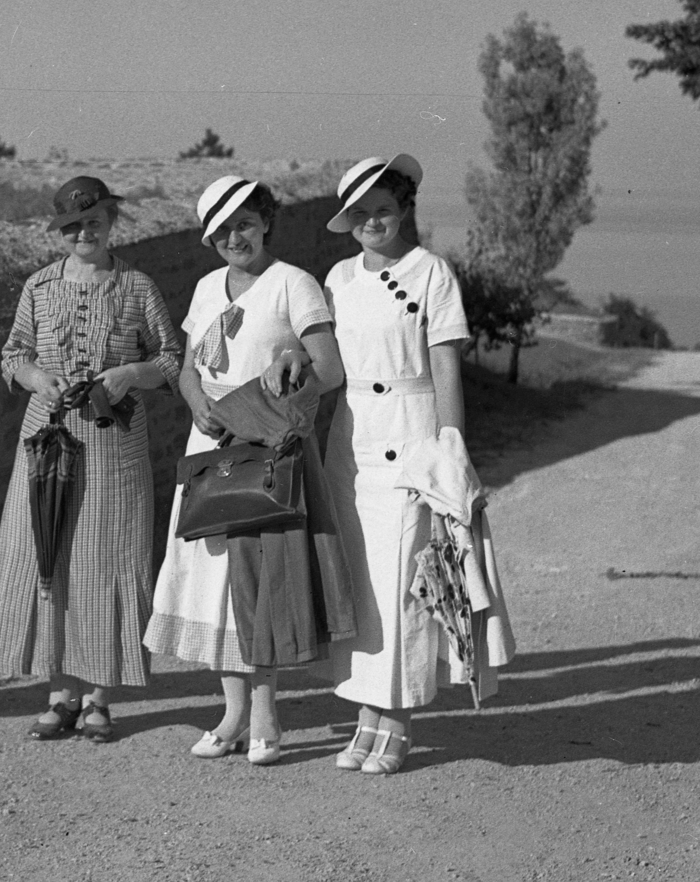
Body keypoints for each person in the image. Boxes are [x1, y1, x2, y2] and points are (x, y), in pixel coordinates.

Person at [143, 176, 345, 765]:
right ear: (209, 238)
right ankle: (231, 716)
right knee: (213, 587)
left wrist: (293, 360)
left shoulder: (293, 284)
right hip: (211, 446)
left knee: (259, 581)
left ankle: (266, 720)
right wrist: (195, 399)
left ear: (265, 224)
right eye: (222, 229)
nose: (236, 237)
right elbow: (186, 366)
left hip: (265, 447)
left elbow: (329, 369)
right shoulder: (208, 287)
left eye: (246, 224)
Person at [0, 176, 183, 743]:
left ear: (110, 222)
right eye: (72, 226)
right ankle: (59, 693)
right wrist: (33, 377)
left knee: (105, 557)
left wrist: (128, 376)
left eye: (92, 222)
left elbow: (172, 359)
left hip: (113, 438)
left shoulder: (137, 287)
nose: (83, 233)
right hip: (47, 437)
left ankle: (98, 695)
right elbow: (13, 352)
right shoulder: (39, 287)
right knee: (48, 553)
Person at [321, 154, 471, 775]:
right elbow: (320, 359)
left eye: (382, 208)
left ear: (404, 206)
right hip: (350, 442)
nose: (372, 222)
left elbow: (445, 366)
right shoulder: (336, 278)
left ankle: (399, 722)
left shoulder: (432, 272)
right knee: (358, 583)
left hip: (411, 441)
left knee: (405, 582)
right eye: (360, 214)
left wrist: (450, 449)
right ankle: (364, 717)